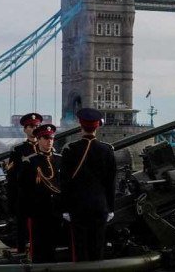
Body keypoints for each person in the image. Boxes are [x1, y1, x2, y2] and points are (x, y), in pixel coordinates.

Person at [61, 108, 116, 262]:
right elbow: (110, 183)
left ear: (80, 126)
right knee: (97, 248)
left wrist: (65, 208)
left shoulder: (70, 150)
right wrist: (110, 208)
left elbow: (64, 182)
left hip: (77, 207)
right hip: (99, 207)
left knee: (80, 249)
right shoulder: (107, 150)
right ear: (97, 126)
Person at [18, 124, 62, 263]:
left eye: (51, 138)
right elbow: (24, 189)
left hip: (56, 209)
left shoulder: (60, 160)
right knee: (38, 247)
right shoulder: (30, 161)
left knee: (54, 246)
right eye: (45, 138)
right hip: (38, 210)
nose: (49, 141)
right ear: (38, 139)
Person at [7, 112, 41, 253]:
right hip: (24, 193)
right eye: (31, 126)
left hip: (41, 194)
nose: (34, 129)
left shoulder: (46, 147)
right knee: (22, 225)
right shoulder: (18, 150)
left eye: (37, 126)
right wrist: (12, 199)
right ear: (25, 129)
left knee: (40, 226)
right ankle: (21, 250)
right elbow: (12, 176)